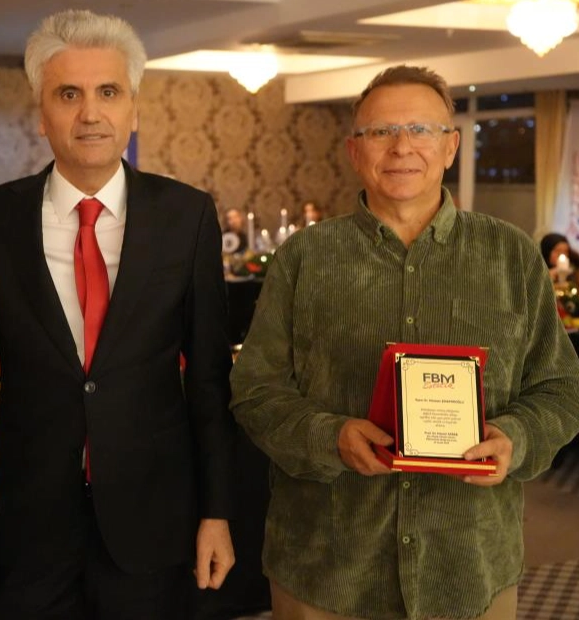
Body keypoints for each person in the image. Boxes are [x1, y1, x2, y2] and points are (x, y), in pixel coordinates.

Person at [230, 64, 579, 620]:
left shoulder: (512, 256)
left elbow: (561, 387)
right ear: (354, 150)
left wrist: (516, 438)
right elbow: (255, 390)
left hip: (468, 566)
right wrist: (329, 436)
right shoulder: (304, 259)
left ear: (450, 146)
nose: (401, 147)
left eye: (421, 129)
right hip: (327, 566)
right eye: (380, 132)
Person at [0, 9, 236, 620]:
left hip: (152, 517)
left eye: (108, 92)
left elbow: (209, 380)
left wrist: (217, 512)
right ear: (42, 113)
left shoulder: (186, 217)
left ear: (134, 108)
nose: (90, 113)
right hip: (27, 520)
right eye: (69, 94)